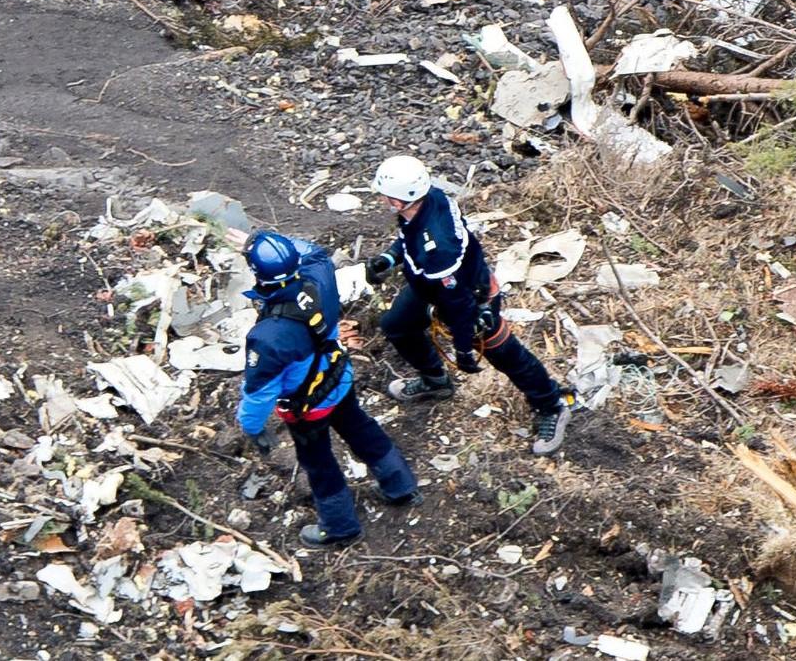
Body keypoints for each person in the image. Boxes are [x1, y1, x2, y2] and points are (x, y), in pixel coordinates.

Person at [364, 155, 575, 455]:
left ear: (400, 200)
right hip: (430, 287)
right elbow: (408, 238)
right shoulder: (430, 199)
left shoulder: (437, 247)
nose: (383, 199)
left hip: (469, 299)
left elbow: (459, 303)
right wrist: (389, 258)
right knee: (396, 326)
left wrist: (463, 347)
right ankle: (435, 380)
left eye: (386, 196)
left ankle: (551, 405)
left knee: (507, 356)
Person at [236, 230, 420, 550]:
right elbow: (316, 252)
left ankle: (340, 526)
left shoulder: (267, 338)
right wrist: (279, 246)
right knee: (363, 431)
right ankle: (401, 486)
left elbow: (260, 393)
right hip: (339, 379)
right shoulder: (318, 276)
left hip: (307, 409)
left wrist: (251, 428)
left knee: (319, 464)